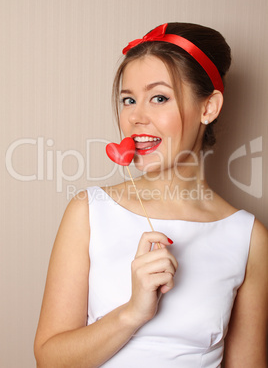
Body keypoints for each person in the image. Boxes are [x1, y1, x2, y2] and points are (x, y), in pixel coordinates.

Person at [34, 22, 268, 367]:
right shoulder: (88, 211)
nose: (135, 117)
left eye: (159, 97)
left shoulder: (249, 237)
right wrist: (132, 313)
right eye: (128, 99)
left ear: (209, 108)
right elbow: (48, 360)